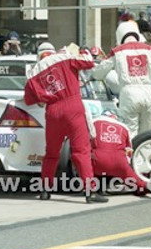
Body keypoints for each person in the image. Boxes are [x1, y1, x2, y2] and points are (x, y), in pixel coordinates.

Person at [24, 42, 108, 203]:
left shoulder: (33, 72)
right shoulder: (65, 57)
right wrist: (82, 49)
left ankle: (45, 190)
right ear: (52, 51)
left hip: (53, 111)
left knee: (51, 153)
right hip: (73, 106)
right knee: (81, 151)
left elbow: (29, 99)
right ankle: (89, 192)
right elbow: (89, 62)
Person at [90, 20, 151, 139]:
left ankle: (130, 156)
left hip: (129, 93)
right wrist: (150, 79)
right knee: (146, 132)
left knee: (129, 131)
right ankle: (144, 155)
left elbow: (99, 73)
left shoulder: (118, 51)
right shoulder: (149, 50)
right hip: (148, 92)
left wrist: (92, 73)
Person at [91, 111, 151, 199]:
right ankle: (149, 187)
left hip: (97, 160)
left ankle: (93, 186)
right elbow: (129, 152)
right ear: (114, 117)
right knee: (136, 183)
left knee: (91, 163)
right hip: (119, 163)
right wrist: (125, 169)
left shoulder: (94, 122)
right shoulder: (124, 127)